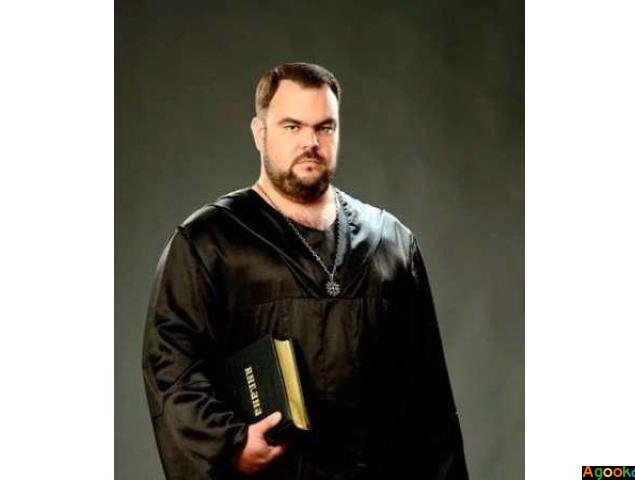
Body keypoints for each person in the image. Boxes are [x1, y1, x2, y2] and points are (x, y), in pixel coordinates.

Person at [142, 62, 468, 480]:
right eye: (292, 127)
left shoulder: (390, 242)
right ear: (260, 133)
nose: (310, 142)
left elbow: (429, 397)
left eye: (324, 128)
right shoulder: (210, 241)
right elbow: (171, 366)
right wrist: (230, 443)